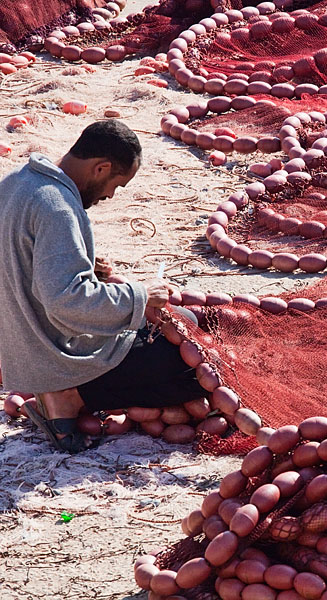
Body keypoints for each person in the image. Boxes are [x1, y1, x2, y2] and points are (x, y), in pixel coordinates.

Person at [0, 120, 205, 453]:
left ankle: (62, 392)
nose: (110, 195)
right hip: (52, 353)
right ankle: (69, 396)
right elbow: (67, 301)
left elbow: (16, 257)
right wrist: (142, 295)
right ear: (101, 168)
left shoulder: (16, 183)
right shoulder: (58, 208)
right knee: (187, 366)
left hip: (21, 346)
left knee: (187, 324)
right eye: (117, 184)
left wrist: (81, 263)